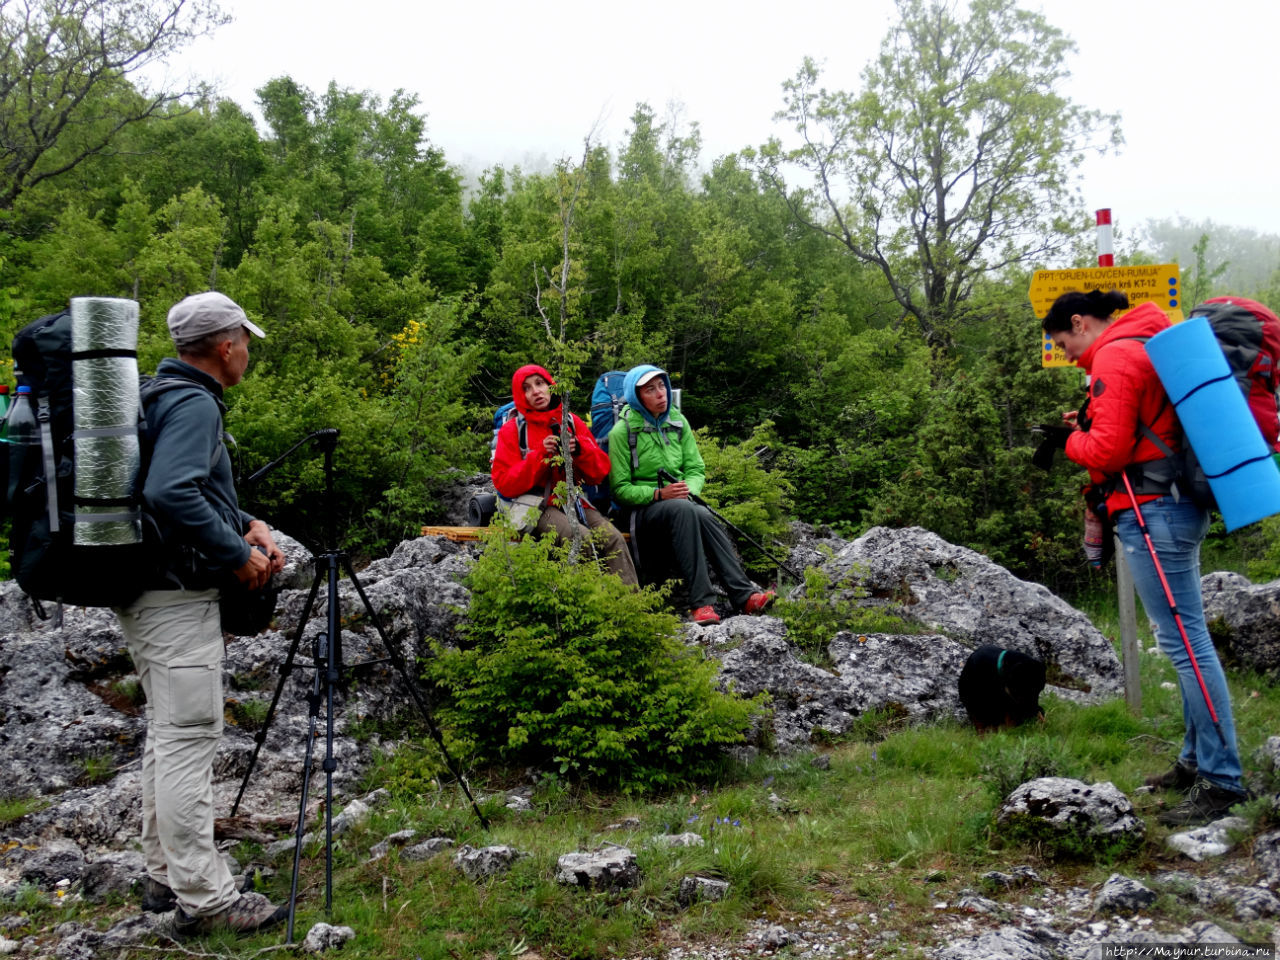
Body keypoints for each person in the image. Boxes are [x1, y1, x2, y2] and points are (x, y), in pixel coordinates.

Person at [114, 291, 288, 936]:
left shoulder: (160, 394)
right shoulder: (193, 403)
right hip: (176, 596)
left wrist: (245, 521)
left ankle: (164, 876)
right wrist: (234, 554)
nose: (247, 350)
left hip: (147, 591)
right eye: (244, 339)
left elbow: (180, 485)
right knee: (189, 740)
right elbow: (167, 491)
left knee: (168, 735)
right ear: (224, 345)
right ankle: (208, 899)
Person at [1042, 288, 1246, 826]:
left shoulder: (1115, 354)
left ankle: (1223, 780)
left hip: (1153, 510)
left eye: (1062, 342)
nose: (1064, 353)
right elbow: (1132, 430)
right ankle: (1193, 760)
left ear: (1080, 322)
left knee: (1185, 643)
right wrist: (1088, 424)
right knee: (1186, 636)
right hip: (1172, 505)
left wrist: (1069, 440)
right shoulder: (1142, 342)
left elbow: (1107, 451)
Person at [607, 364, 774, 625]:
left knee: (702, 513)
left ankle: (745, 596)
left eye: (662, 386)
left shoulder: (677, 421)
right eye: (650, 390)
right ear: (636, 396)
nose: (661, 393)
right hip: (640, 511)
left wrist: (688, 491)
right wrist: (659, 494)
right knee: (685, 510)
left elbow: (695, 468)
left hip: (678, 502)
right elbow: (619, 490)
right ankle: (702, 604)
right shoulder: (622, 432)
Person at [491, 363, 638, 585]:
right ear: (521, 396)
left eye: (540, 384)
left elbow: (599, 473)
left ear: (551, 385)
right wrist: (540, 455)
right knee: (579, 537)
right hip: (535, 504)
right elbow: (504, 483)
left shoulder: (571, 421)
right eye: (527, 388)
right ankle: (588, 602)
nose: (536, 392)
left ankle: (629, 607)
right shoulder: (512, 430)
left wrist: (580, 450)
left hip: (571, 499)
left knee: (613, 539)